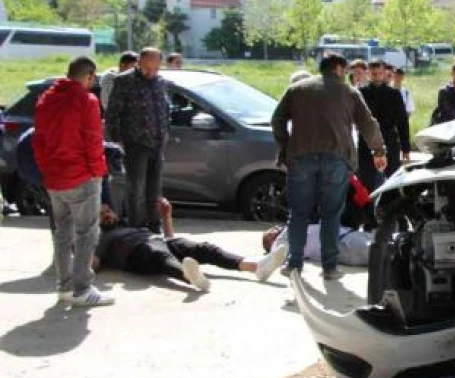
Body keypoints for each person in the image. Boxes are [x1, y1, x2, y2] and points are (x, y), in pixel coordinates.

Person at [271, 52, 386, 280]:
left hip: (300, 157)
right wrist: (379, 150)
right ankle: (330, 267)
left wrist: (285, 146)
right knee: (331, 214)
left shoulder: (298, 89)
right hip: (336, 158)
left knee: (299, 213)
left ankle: (293, 263)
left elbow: (277, 119)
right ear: (339, 69)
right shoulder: (349, 92)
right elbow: (368, 124)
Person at [32, 56, 113, 307]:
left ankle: (64, 287)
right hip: (82, 176)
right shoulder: (86, 101)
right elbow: (92, 141)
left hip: (55, 177)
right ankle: (82, 289)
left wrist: (47, 170)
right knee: (86, 234)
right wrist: (98, 173)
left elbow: (39, 141)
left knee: (62, 233)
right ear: (89, 76)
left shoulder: (45, 99)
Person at [93, 198, 286, 291]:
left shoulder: (130, 225)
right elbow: (93, 265)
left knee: (204, 248)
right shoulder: (101, 238)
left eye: (108, 210)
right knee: (158, 254)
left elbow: (168, 237)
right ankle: (190, 277)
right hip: (139, 254)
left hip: (160, 242)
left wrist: (167, 216)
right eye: (102, 214)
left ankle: (256, 267)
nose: (108, 214)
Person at [106, 47, 169, 233]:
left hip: (157, 143)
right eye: (147, 69)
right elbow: (112, 113)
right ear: (139, 62)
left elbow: (165, 109)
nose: (151, 73)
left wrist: (166, 131)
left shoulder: (160, 82)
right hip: (135, 143)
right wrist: (119, 141)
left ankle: (154, 225)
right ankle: (136, 227)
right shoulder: (124, 81)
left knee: (154, 189)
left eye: (155, 69)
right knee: (136, 189)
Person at [359, 59, 411, 186]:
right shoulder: (361, 93)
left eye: (379, 73)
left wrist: (406, 149)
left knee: (392, 181)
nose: (376, 76)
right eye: (373, 73)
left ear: (384, 73)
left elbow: (402, 122)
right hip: (367, 143)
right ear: (369, 74)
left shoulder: (394, 94)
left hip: (389, 141)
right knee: (368, 182)